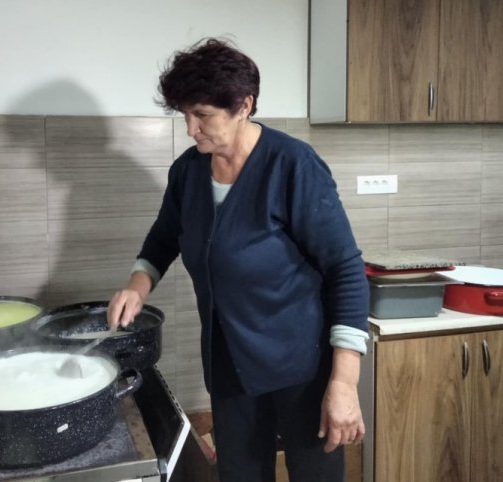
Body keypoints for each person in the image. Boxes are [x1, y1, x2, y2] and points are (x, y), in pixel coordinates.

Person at [107, 38, 369, 482]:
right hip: (228, 364)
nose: (191, 129)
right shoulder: (189, 171)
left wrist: (344, 384)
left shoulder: (293, 165)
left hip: (301, 368)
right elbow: (164, 238)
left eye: (202, 115)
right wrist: (138, 285)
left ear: (244, 105)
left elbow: (345, 271)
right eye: (185, 115)